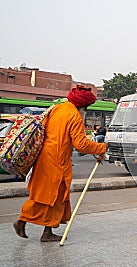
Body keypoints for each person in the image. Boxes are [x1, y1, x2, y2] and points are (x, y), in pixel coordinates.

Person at [13, 85, 107, 242]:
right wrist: (102, 147)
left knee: (54, 198)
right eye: (87, 107)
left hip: (45, 158)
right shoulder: (74, 116)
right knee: (46, 198)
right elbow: (81, 145)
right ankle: (22, 220)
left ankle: (46, 232)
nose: (86, 110)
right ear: (83, 106)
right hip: (56, 163)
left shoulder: (57, 108)